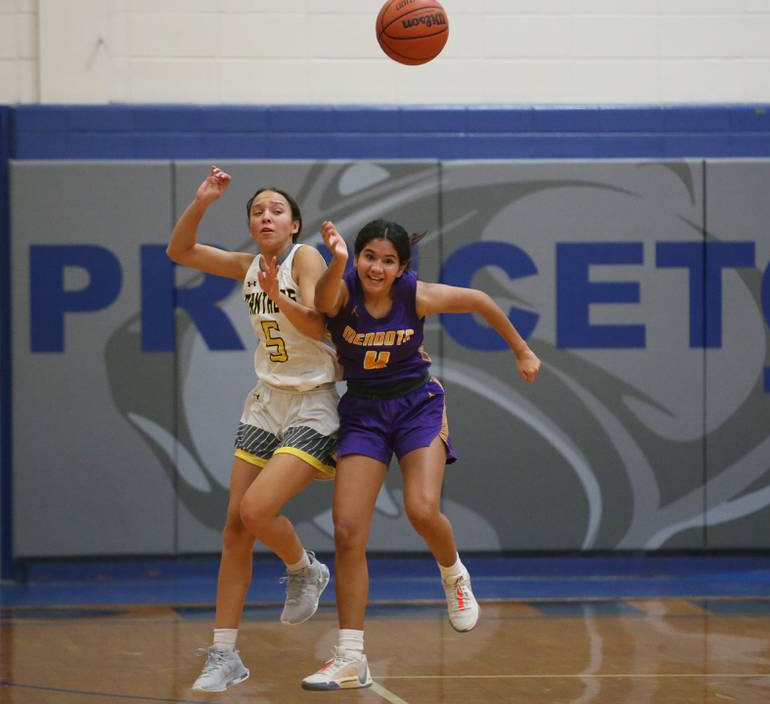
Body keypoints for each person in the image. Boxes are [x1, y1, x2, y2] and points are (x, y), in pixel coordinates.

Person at [301, 219, 541, 690]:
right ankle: (350, 656)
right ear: (358, 257)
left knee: (421, 508)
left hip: (417, 405)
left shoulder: (416, 296)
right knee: (348, 530)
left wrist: (522, 350)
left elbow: (481, 301)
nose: (377, 267)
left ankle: (453, 575)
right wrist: (340, 262)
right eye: (369, 256)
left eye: (388, 261)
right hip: (364, 411)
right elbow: (323, 304)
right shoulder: (342, 290)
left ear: (401, 268)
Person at [166, 166, 340, 693]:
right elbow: (181, 251)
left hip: (313, 402)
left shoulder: (304, 257)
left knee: (256, 510)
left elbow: (317, 323)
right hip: (265, 401)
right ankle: (225, 654)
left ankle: (304, 566)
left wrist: (278, 293)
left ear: (294, 224)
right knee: (235, 528)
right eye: (257, 210)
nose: (265, 215)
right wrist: (200, 202)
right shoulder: (248, 265)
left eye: (276, 210)